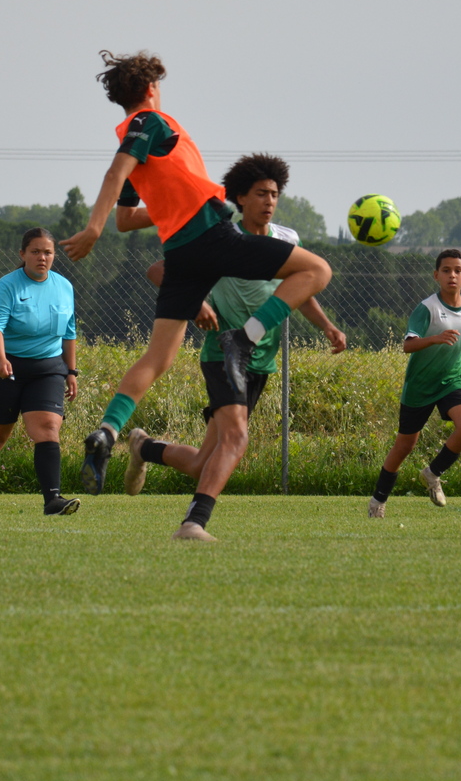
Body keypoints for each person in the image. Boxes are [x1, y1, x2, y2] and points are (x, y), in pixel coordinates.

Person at [60, 51, 333, 541]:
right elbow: (114, 179)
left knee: (158, 358)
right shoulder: (149, 122)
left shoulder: (136, 140)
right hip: (211, 238)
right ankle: (244, 339)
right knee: (317, 269)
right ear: (150, 90)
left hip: (181, 253)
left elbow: (128, 218)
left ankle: (108, 430)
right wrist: (92, 228)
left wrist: (175, 204)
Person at [124, 153, 347, 495]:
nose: (269, 201)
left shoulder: (288, 240)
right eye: (261, 193)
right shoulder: (221, 239)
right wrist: (196, 303)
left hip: (260, 359)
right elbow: (158, 271)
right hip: (223, 354)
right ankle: (196, 516)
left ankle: (144, 448)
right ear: (240, 197)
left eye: (274, 194)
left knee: (202, 464)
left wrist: (327, 326)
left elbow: (300, 291)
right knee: (231, 445)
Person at [0, 227, 82, 517]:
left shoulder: (64, 286)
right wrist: (0, 359)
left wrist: (71, 371)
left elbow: (69, 332)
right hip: (6, 367)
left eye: (48, 252)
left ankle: (53, 501)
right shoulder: (7, 285)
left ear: (54, 256)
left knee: (48, 428)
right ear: (23, 254)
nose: (42, 257)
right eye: (35, 251)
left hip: (48, 368)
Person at [366, 249, 461, 518]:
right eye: (446, 270)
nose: (452, 275)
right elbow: (408, 345)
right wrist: (435, 338)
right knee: (404, 446)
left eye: (457, 271)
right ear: (435, 275)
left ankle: (432, 474)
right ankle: (378, 501)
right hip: (420, 385)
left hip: (452, 380)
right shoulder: (427, 308)